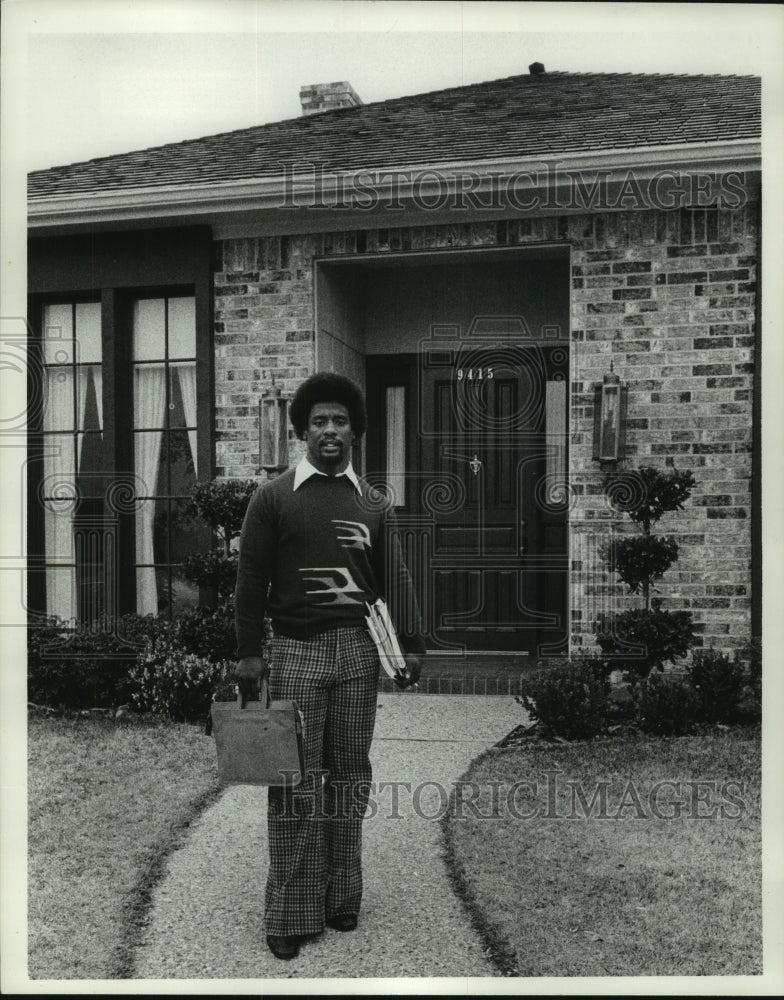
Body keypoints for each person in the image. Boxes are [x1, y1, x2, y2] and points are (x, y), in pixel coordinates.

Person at [235, 371, 425, 961]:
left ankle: (342, 896)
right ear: (302, 430)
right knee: (294, 779)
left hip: (358, 653)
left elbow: (393, 576)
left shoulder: (372, 502)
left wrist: (412, 643)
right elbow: (250, 578)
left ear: (355, 430)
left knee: (348, 776)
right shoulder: (273, 498)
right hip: (294, 650)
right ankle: (291, 912)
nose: (330, 430)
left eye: (340, 420)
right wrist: (248, 652)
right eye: (318, 420)